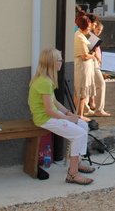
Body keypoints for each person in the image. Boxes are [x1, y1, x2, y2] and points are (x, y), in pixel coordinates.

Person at [28, 48, 94, 185]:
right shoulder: (44, 82)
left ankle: (77, 162)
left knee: (83, 125)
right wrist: (68, 119)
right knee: (79, 134)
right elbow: (49, 111)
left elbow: (54, 102)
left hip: (51, 116)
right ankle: (72, 174)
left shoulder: (46, 80)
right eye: (60, 60)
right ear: (52, 63)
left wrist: (69, 113)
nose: (62, 62)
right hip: (45, 119)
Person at [73, 15, 96, 117]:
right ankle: (80, 115)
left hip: (83, 68)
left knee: (82, 93)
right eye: (88, 27)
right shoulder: (79, 37)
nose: (89, 29)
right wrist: (93, 55)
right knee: (82, 93)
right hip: (82, 68)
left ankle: (79, 114)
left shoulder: (80, 35)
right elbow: (84, 56)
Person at [89, 20, 110, 117]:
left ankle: (90, 106)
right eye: (98, 29)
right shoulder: (91, 37)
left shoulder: (92, 37)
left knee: (92, 85)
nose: (99, 31)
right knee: (100, 84)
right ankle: (98, 109)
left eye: (101, 30)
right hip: (93, 62)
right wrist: (97, 58)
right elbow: (92, 52)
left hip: (95, 63)